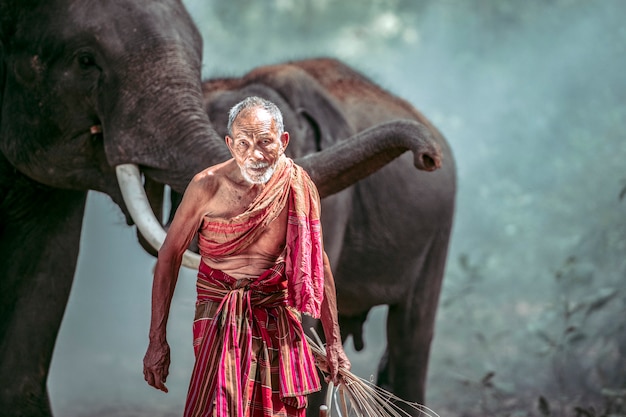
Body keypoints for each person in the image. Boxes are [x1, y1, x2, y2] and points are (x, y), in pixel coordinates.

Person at [143, 96, 351, 417]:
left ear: (283, 141)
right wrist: (157, 341)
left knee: (280, 410)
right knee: (222, 406)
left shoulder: (297, 186)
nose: (254, 154)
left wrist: (334, 342)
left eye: (265, 142)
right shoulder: (206, 187)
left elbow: (316, 262)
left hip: (276, 315)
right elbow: (169, 256)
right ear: (229, 143)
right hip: (219, 315)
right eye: (243, 143)